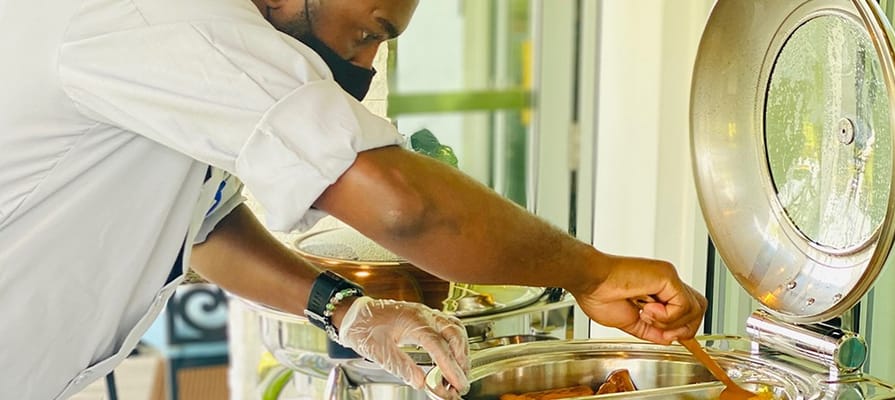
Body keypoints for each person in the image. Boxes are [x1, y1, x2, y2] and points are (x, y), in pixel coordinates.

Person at [0, 0, 708, 398]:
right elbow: (405, 207)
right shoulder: (161, 19)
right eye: (369, 31)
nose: (364, 65)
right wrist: (593, 271)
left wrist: (346, 309)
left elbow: (201, 227)